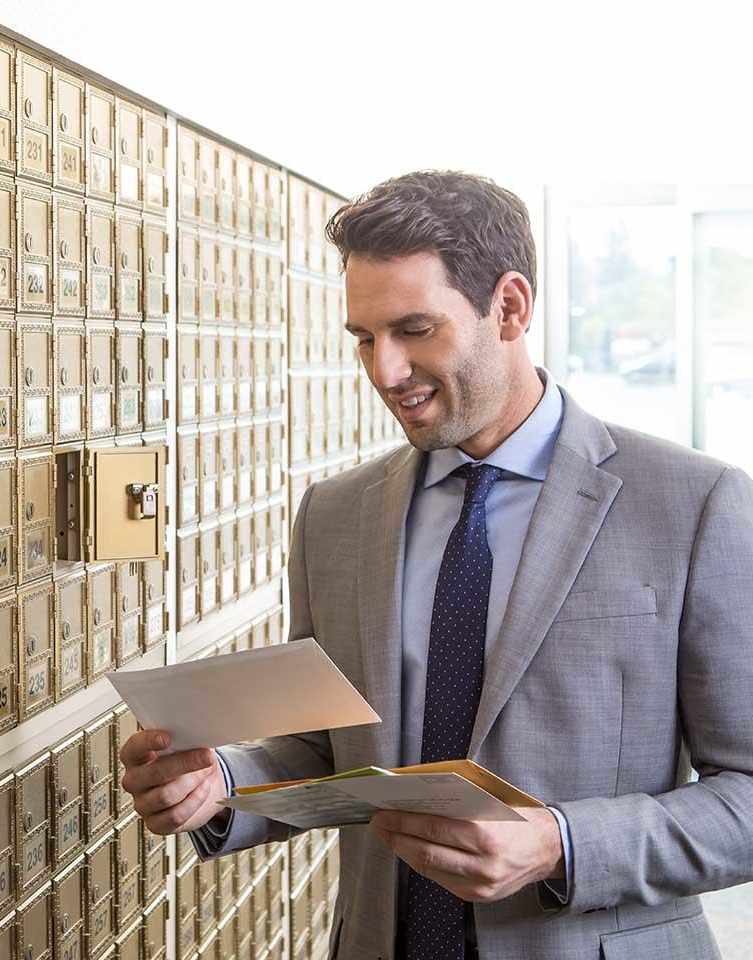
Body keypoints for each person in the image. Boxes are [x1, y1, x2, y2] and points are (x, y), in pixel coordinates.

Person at [119, 171, 753, 959]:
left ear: (511, 308)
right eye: (363, 337)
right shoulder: (335, 516)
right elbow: (331, 750)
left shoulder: (696, 505)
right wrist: (220, 780)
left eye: (415, 329)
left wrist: (561, 842)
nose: (384, 371)